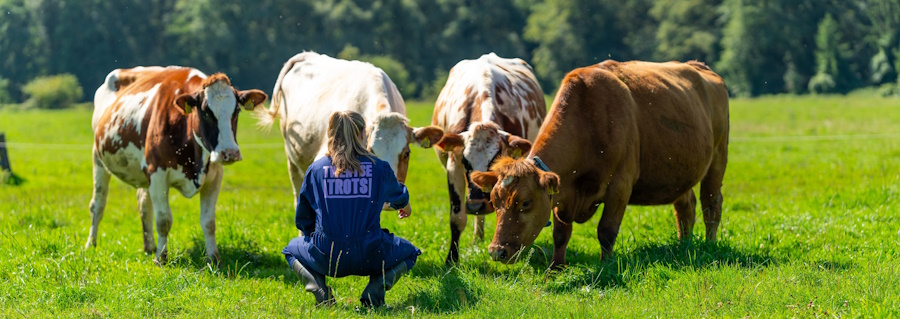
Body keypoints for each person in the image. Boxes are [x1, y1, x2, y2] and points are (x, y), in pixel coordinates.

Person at [282, 110, 420, 307]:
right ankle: (374, 293)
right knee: (410, 252)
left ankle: (320, 290)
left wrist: (315, 241)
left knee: (290, 250)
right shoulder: (379, 168)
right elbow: (400, 198)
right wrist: (406, 208)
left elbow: (303, 218)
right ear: (364, 134)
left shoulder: (316, 169)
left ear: (329, 134)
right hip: (371, 254)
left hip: (326, 256)